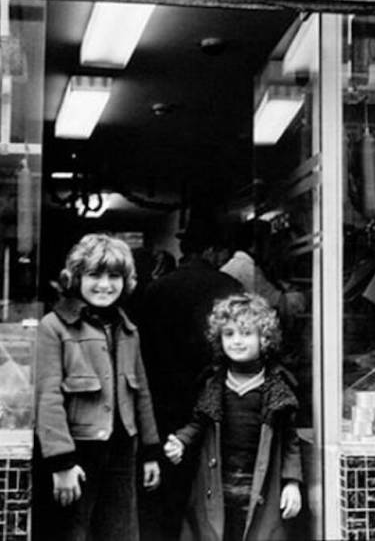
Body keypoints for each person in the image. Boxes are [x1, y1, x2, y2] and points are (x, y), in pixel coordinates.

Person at [34, 233, 161, 541]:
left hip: (122, 452)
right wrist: (62, 463)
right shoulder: (54, 327)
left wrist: (150, 452)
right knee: (72, 533)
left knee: (120, 532)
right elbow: (47, 397)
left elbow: (141, 392)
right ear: (76, 277)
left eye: (114, 276)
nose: (105, 285)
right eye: (94, 275)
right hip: (78, 452)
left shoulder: (129, 330)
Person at [164, 293, 302, 541]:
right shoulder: (213, 384)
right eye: (229, 334)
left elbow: (290, 441)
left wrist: (292, 483)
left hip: (259, 489)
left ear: (264, 339)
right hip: (219, 488)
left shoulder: (277, 389)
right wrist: (181, 441)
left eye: (246, 333)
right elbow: (199, 423)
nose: (237, 341)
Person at [137, 217, 243, 541]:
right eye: (223, 253)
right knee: (214, 496)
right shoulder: (229, 289)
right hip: (219, 407)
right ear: (212, 251)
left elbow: (143, 352)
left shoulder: (156, 290)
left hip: (164, 406)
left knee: (169, 498)